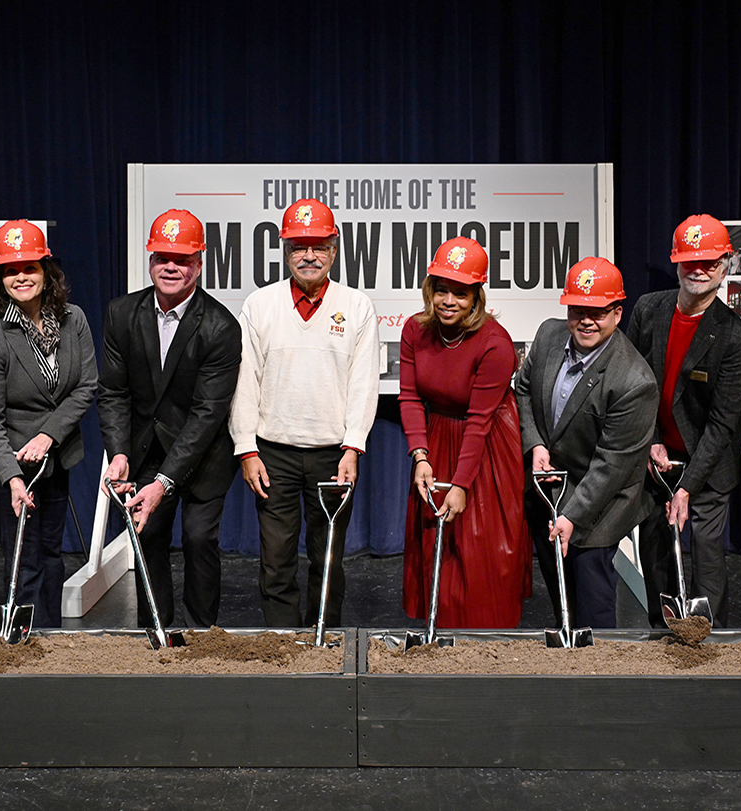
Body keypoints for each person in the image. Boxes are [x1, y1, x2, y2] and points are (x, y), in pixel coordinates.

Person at [230, 199, 381, 628]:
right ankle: (283, 643)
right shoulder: (260, 305)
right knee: (275, 560)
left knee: (327, 556)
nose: (309, 255)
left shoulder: (356, 307)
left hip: (334, 455)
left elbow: (363, 384)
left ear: (334, 249)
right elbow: (245, 383)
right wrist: (246, 449)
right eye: (299, 246)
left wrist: (353, 447)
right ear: (285, 250)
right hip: (271, 453)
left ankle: (324, 639)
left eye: (319, 246)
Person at [100, 210, 242, 629]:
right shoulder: (122, 314)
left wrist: (163, 482)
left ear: (199, 263)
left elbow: (206, 414)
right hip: (144, 449)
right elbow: (112, 391)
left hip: (204, 455)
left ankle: (201, 637)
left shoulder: (220, 327)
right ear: (150, 262)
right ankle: (155, 636)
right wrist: (119, 451)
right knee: (148, 537)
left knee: (199, 540)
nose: (171, 268)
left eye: (182, 260)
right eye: (163, 258)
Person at [513, 258, 658, 629]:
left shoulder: (633, 381)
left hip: (601, 506)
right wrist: (536, 444)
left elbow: (612, 466)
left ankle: (601, 678)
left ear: (618, 312)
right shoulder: (548, 336)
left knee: (594, 608)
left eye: (598, 312)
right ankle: (568, 664)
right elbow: (524, 388)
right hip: (551, 492)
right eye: (578, 310)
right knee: (563, 598)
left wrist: (572, 516)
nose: (586, 321)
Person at [624, 215, 741, 625]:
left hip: (709, 461)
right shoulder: (649, 309)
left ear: (726, 265)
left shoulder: (735, 337)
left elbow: (721, 424)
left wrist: (687, 489)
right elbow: (631, 385)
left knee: (707, 547)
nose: (698, 270)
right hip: (656, 455)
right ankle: (662, 631)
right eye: (689, 261)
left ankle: (711, 638)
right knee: (656, 547)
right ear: (676, 262)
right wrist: (650, 439)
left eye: (709, 263)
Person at [0, 220, 97, 628]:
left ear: (46, 272)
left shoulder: (74, 320)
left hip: (57, 457)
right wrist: (12, 477)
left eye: (30, 267)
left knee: (52, 552)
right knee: (22, 557)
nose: (21, 276)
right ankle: (22, 640)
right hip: (11, 463)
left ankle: (52, 635)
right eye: (10, 270)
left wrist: (48, 435)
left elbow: (86, 385)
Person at [399, 237, 528, 628]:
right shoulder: (414, 330)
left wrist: (460, 484)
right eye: (442, 290)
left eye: (460, 292)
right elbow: (408, 398)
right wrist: (420, 456)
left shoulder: (495, 343)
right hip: (437, 438)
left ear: (477, 296)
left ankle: (486, 646)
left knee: (481, 553)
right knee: (435, 546)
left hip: (486, 447)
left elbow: (480, 421)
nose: (449, 300)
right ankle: (439, 637)